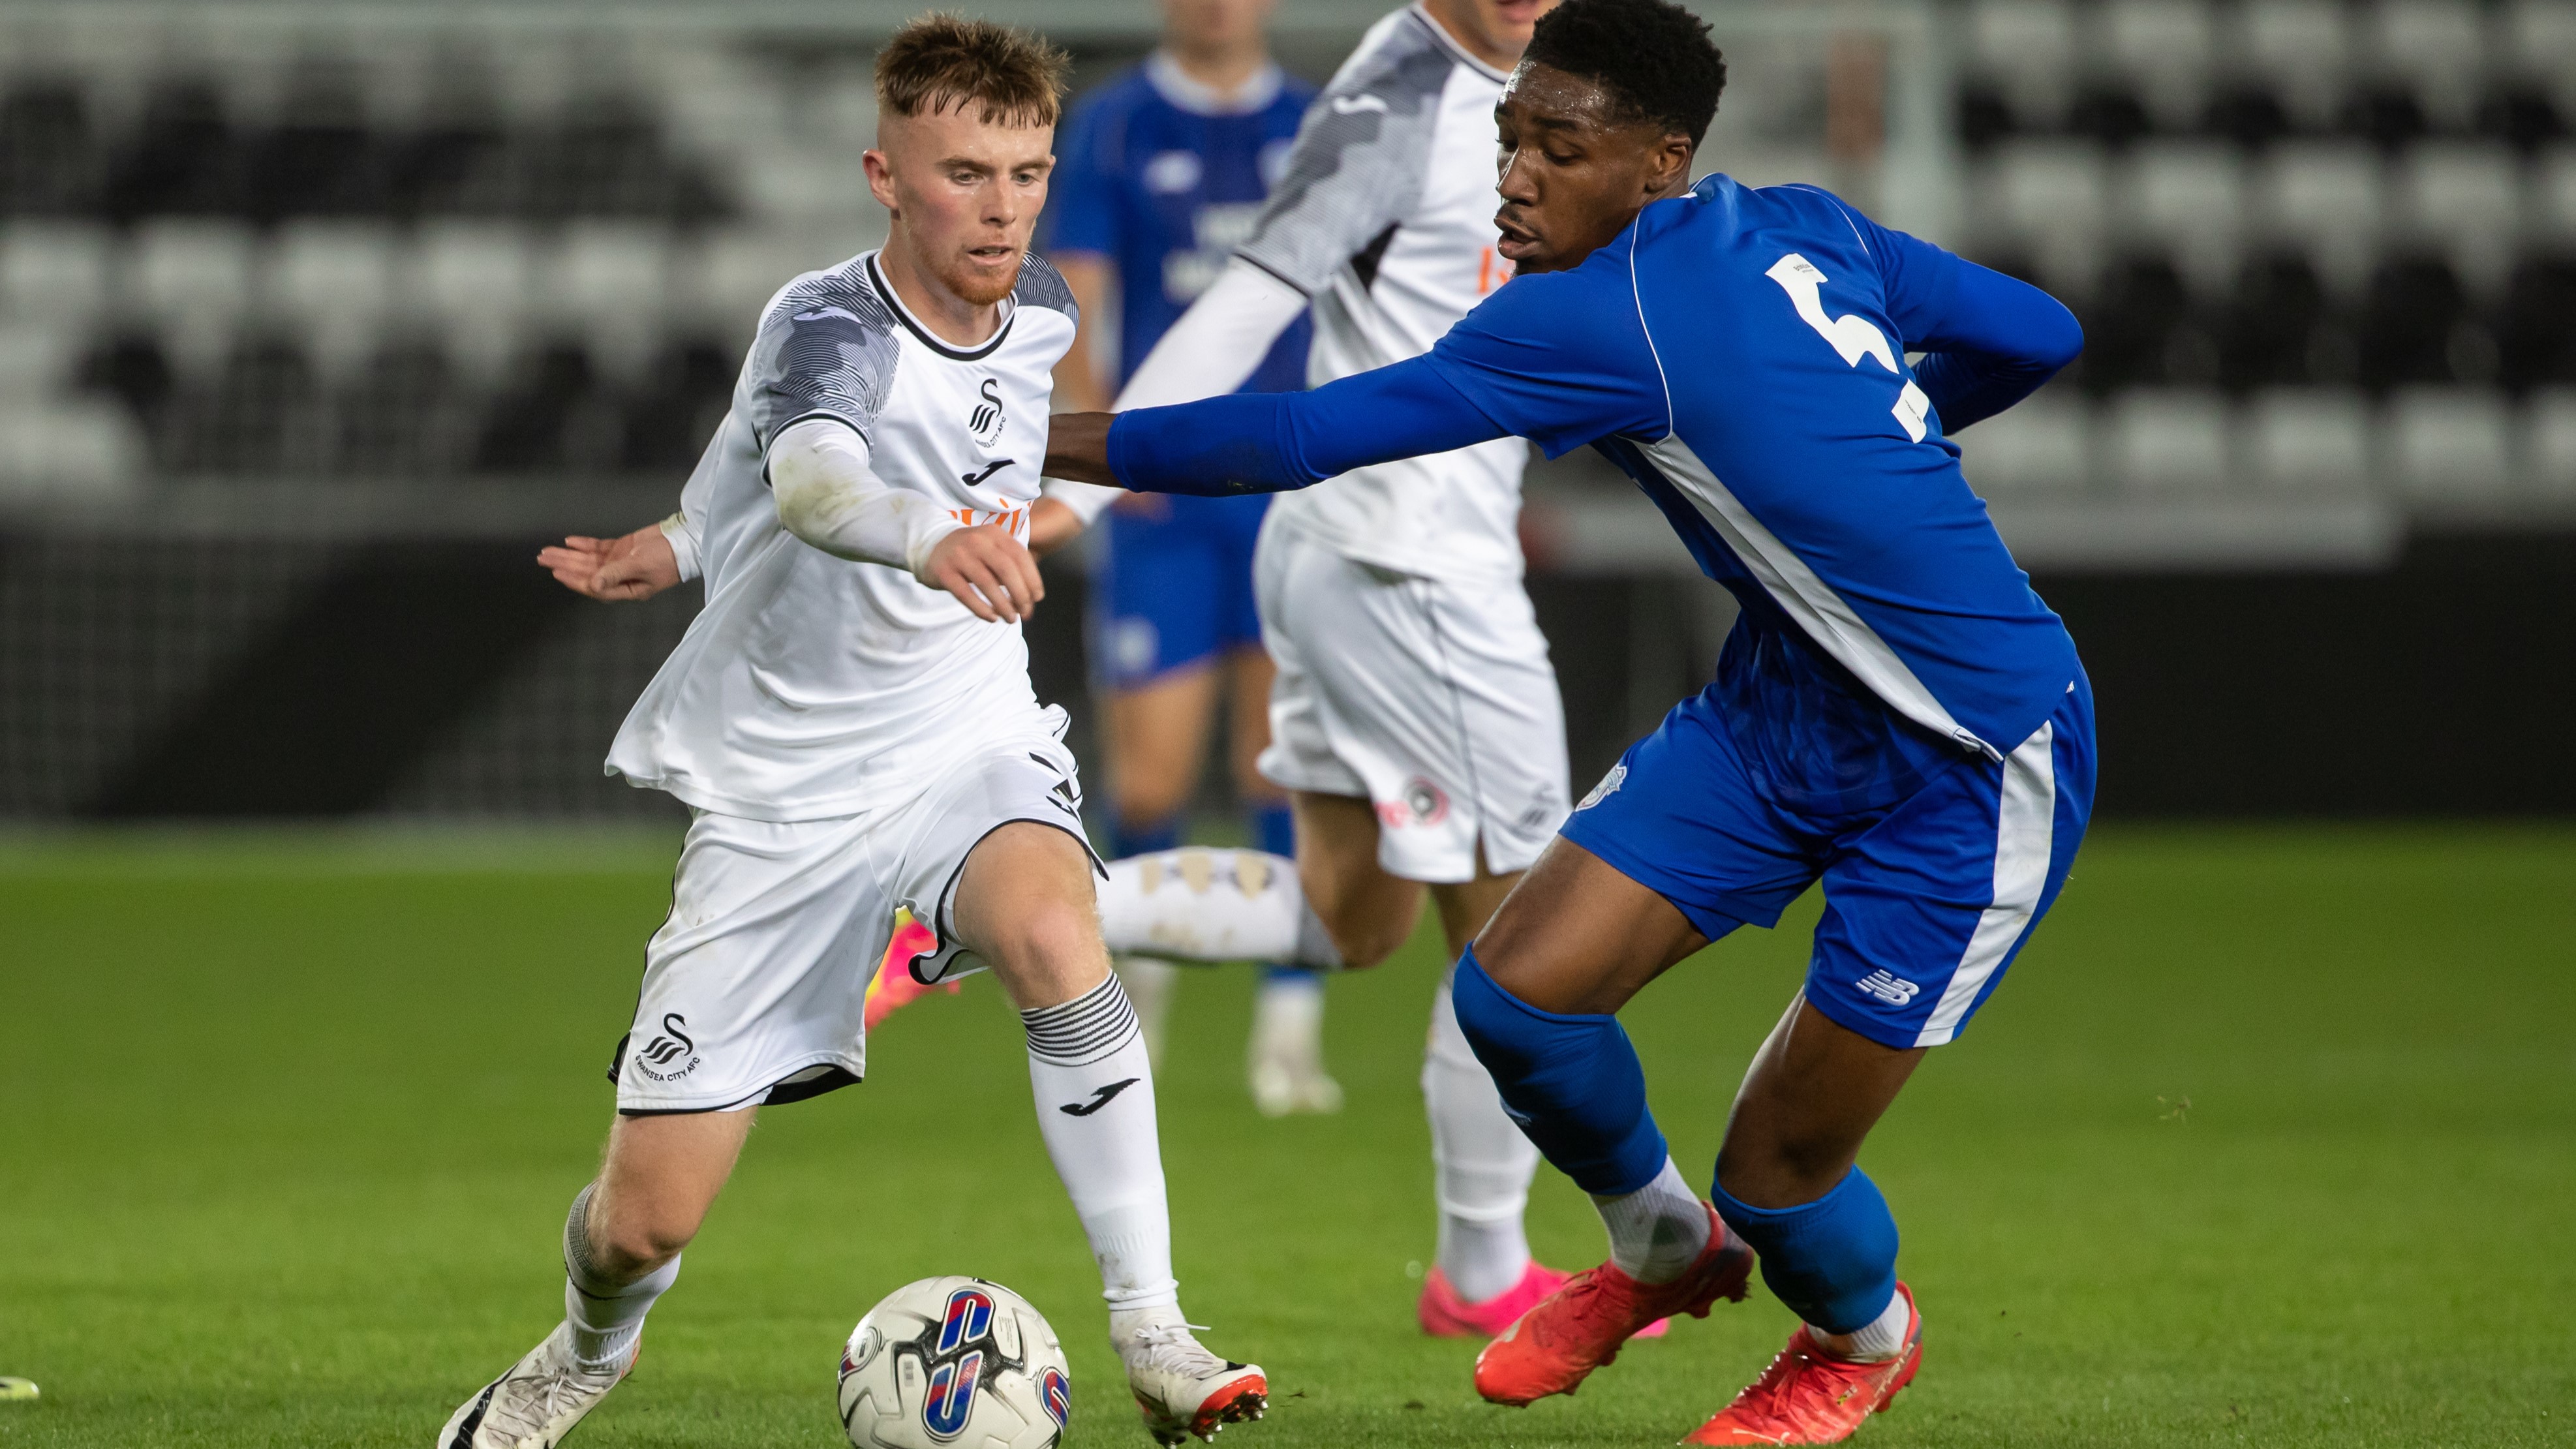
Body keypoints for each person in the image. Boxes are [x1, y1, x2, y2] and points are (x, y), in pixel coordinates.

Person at [1042, 0, 2093, 1439]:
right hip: (1785, 702)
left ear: (1657, 164)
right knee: (1512, 998)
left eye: (1562, 147)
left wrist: (1020, 431)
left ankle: (1860, 1338)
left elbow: (1298, 435)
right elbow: (2042, 328)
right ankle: (1663, 1247)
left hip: (1974, 755)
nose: (1517, 176)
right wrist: (1894, 415)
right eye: (1509, 136)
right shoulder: (1805, 224)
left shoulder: (1603, 312)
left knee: (1778, 1175)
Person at [450, 20, 1266, 1448]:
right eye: (966, 172)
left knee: (1057, 933)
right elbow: (817, 477)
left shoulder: (1053, 311)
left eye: (1026, 170)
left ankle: (1155, 1327)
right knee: (643, 1223)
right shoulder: (824, 319)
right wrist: (909, 535)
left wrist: (690, 532)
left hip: (964, 730)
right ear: (887, 175)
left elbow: (994, 462)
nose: (1002, 205)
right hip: (782, 792)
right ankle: (585, 1348)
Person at [1045, 0, 1599, 1345]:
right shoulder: (1396, 97)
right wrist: (1094, 480)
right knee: (1533, 936)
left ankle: (994, 914)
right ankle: (1485, 1273)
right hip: (1412, 571)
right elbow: (1246, 304)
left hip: (1355, 546)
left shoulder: (1526, 72)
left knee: (1358, 919)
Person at [1039, 0, 1333, 1116]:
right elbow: (1075, 305)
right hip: (1166, 501)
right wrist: (1116, 451)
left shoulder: (1320, 125)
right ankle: (1135, 1017)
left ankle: (1288, 1033)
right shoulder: (1114, 124)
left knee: (1280, 766)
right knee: (1151, 774)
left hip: (1288, 492)